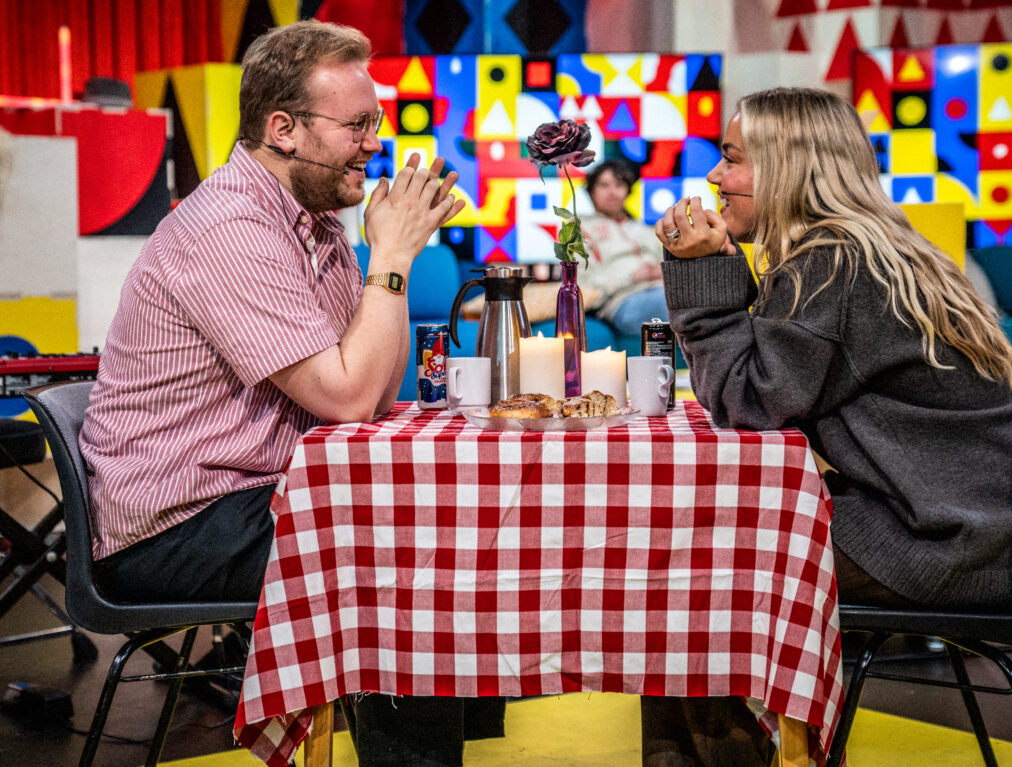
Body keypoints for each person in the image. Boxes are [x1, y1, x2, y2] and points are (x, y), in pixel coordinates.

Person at [78, 20, 497, 767]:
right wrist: (393, 256)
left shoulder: (315, 222)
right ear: (284, 129)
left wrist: (379, 254)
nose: (376, 142)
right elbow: (346, 398)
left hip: (248, 490)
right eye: (358, 124)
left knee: (433, 521)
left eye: (377, 122)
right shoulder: (232, 227)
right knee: (395, 559)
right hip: (174, 523)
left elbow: (372, 388)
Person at [645, 87, 1012, 766]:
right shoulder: (860, 247)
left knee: (686, 565)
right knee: (696, 546)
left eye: (732, 158)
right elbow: (772, 377)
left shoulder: (835, 263)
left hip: (945, 545)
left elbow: (746, 399)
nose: (715, 177)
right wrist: (724, 273)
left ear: (787, 167)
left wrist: (700, 269)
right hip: (969, 528)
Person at [578, 158, 669, 334]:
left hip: (661, 289)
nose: (612, 192)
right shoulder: (579, 229)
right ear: (591, 191)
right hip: (622, 302)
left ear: (627, 190)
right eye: (604, 185)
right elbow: (583, 286)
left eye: (619, 185)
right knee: (677, 302)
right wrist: (631, 277)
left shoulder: (645, 229)